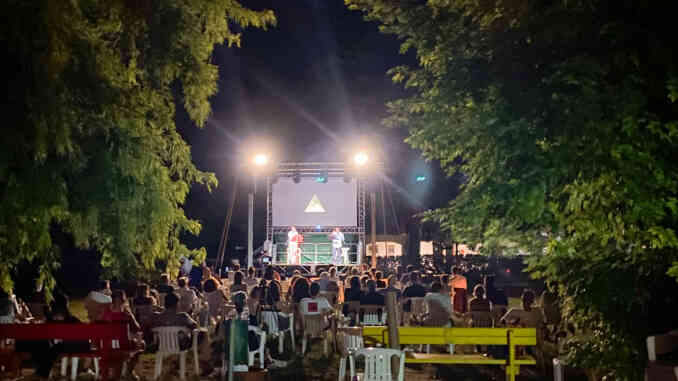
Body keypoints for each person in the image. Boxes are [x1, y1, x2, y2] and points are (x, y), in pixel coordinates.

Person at [101, 290, 143, 380]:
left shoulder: (106, 314)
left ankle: (124, 371)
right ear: (124, 300)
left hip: (107, 346)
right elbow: (137, 329)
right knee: (141, 344)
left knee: (126, 346)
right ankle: (129, 370)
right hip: (124, 345)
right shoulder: (127, 314)